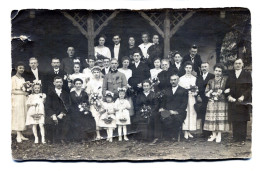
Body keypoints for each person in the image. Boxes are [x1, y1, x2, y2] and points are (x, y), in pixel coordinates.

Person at [226, 58, 252, 144]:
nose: (237, 65)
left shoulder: (247, 74)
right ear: (234, 65)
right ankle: (235, 138)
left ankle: (242, 139)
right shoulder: (230, 74)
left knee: (242, 119)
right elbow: (226, 87)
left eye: (239, 63)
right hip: (233, 100)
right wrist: (228, 96)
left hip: (242, 100)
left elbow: (249, 88)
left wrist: (243, 96)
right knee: (235, 119)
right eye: (236, 63)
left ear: (242, 64)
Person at [203, 63, 229, 143]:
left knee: (219, 118)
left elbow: (228, 89)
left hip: (221, 102)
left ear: (221, 72)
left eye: (219, 71)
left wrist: (224, 91)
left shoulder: (225, 80)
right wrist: (210, 93)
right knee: (212, 118)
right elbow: (206, 91)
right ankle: (213, 134)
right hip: (212, 102)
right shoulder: (210, 81)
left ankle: (219, 134)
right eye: (216, 71)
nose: (217, 72)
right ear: (214, 71)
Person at [159, 75, 188, 140]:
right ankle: (168, 136)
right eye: (171, 80)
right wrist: (162, 108)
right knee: (164, 117)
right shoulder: (167, 91)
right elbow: (163, 102)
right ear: (170, 81)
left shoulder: (183, 91)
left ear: (178, 80)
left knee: (174, 118)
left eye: (175, 80)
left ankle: (173, 135)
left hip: (179, 112)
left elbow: (184, 104)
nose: (173, 81)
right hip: (167, 111)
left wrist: (176, 111)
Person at [45, 76, 70, 143]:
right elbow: (47, 106)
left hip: (62, 113)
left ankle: (62, 138)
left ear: (62, 83)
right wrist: (53, 115)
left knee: (67, 119)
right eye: (57, 82)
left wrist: (62, 113)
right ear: (54, 83)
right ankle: (50, 139)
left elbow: (68, 105)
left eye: (60, 82)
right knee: (49, 121)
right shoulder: (50, 94)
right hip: (53, 113)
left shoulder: (65, 94)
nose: (59, 84)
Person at [178, 61, 198, 139]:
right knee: (185, 113)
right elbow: (179, 90)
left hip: (191, 98)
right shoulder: (181, 78)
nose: (188, 69)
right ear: (184, 68)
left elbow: (196, 89)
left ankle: (189, 131)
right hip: (184, 98)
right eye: (187, 68)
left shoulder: (194, 78)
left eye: (190, 68)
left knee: (191, 113)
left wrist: (195, 92)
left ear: (192, 69)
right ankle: (185, 131)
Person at [195, 62, 215, 138]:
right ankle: (204, 132)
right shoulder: (199, 77)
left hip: (210, 98)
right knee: (203, 115)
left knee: (210, 115)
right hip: (202, 99)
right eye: (202, 67)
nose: (204, 68)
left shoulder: (212, 76)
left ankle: (211, 132)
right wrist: (198, 95)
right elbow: (197, 88)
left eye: (205, 66)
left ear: (208, 68)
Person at [11, 62, 29, 143]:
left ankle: (21, 134)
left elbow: (24, 89)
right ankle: (18, 135)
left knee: (23, 115)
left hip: (23, 99)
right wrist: (24, 93)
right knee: (18, 115)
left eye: (23, 68)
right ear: (16, 68)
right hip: (17, 99)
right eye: (20, 68)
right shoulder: (13, 78)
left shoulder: (23, 79)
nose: (22, 69)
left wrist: (27, 90)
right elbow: (13, 91)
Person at [86, 66, 103, 140]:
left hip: (101, 100)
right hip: (94, 101)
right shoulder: (90, 82)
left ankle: (105, 133)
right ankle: (97, 134)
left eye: (98, 72)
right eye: (94, 72)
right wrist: (92, 99)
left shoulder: (103, 81)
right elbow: (88, 93)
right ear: (92, 73)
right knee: (95, 117)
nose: (96, 74)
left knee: (102, 116)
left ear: (100, 73)